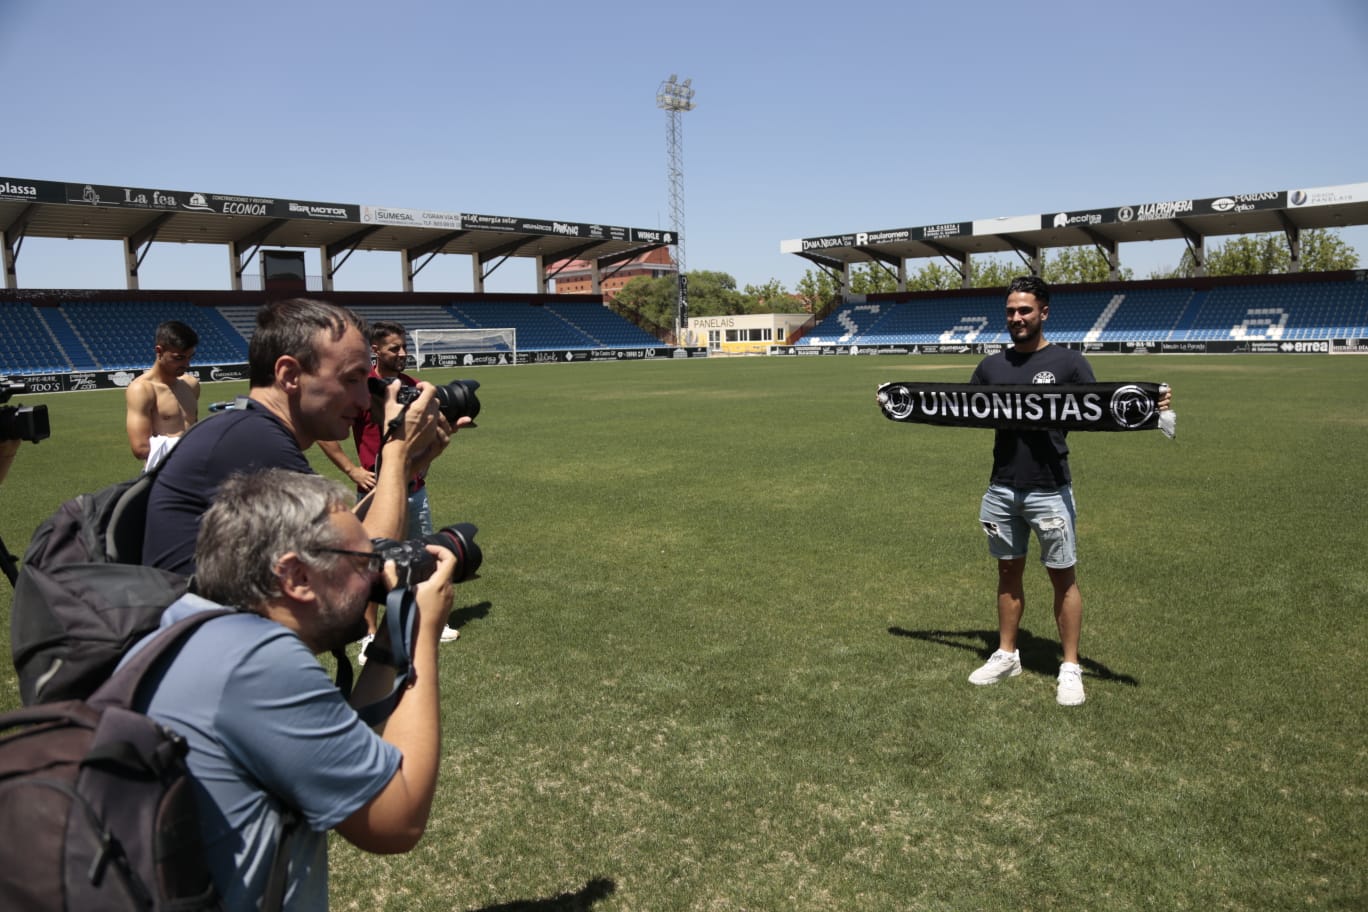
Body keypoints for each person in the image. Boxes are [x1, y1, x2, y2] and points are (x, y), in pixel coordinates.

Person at [125, 468, 456, 909]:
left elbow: (348, 748)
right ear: (296, 576)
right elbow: (397, 819)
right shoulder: (256, 665)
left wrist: (391, 637)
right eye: (364, 562)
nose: (378, 576)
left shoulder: (189, 620)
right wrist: (420, 634)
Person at [140, 299, 459, 612]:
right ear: (290, 375)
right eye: (351, 379)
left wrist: (404, 470)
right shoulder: (256, 443)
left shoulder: (247, 428)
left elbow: (343, 537)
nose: (365, 401)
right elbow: (357, 567)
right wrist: (397, 449)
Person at [965, 276, 1171, 706]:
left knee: (1063, 577)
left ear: (1044, 313)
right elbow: (958, 408)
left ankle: (1070, 667)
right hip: (1001, 488)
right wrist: (899, 400)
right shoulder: (991, 366)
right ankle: (1007, 654)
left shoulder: (1069, 362)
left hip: (1049, 489)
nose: (1016, 318)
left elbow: (1101, 408)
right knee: (1007, 573)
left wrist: (1150, 406)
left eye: (1025, 310)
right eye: (1010, 311)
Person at [318, 320, 435, 540]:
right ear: (376, 350)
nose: (402, 353)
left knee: (422, 559)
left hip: (415, 492)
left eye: (404, 347)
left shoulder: (415, 387)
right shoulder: (362, 388)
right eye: (394, 349)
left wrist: (423, 464)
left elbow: (429, 431)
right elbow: (323, 433)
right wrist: (352, 470)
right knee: (376, 563)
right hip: (374, 493)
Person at [125, 319, 200, 471]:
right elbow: (140, 448)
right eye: (179, 358)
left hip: (195, 471)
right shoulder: (142, 389)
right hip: (162, 476)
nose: (187, 364)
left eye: (190, 357)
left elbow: (194, 430)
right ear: (159, 351)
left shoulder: (191, 384)